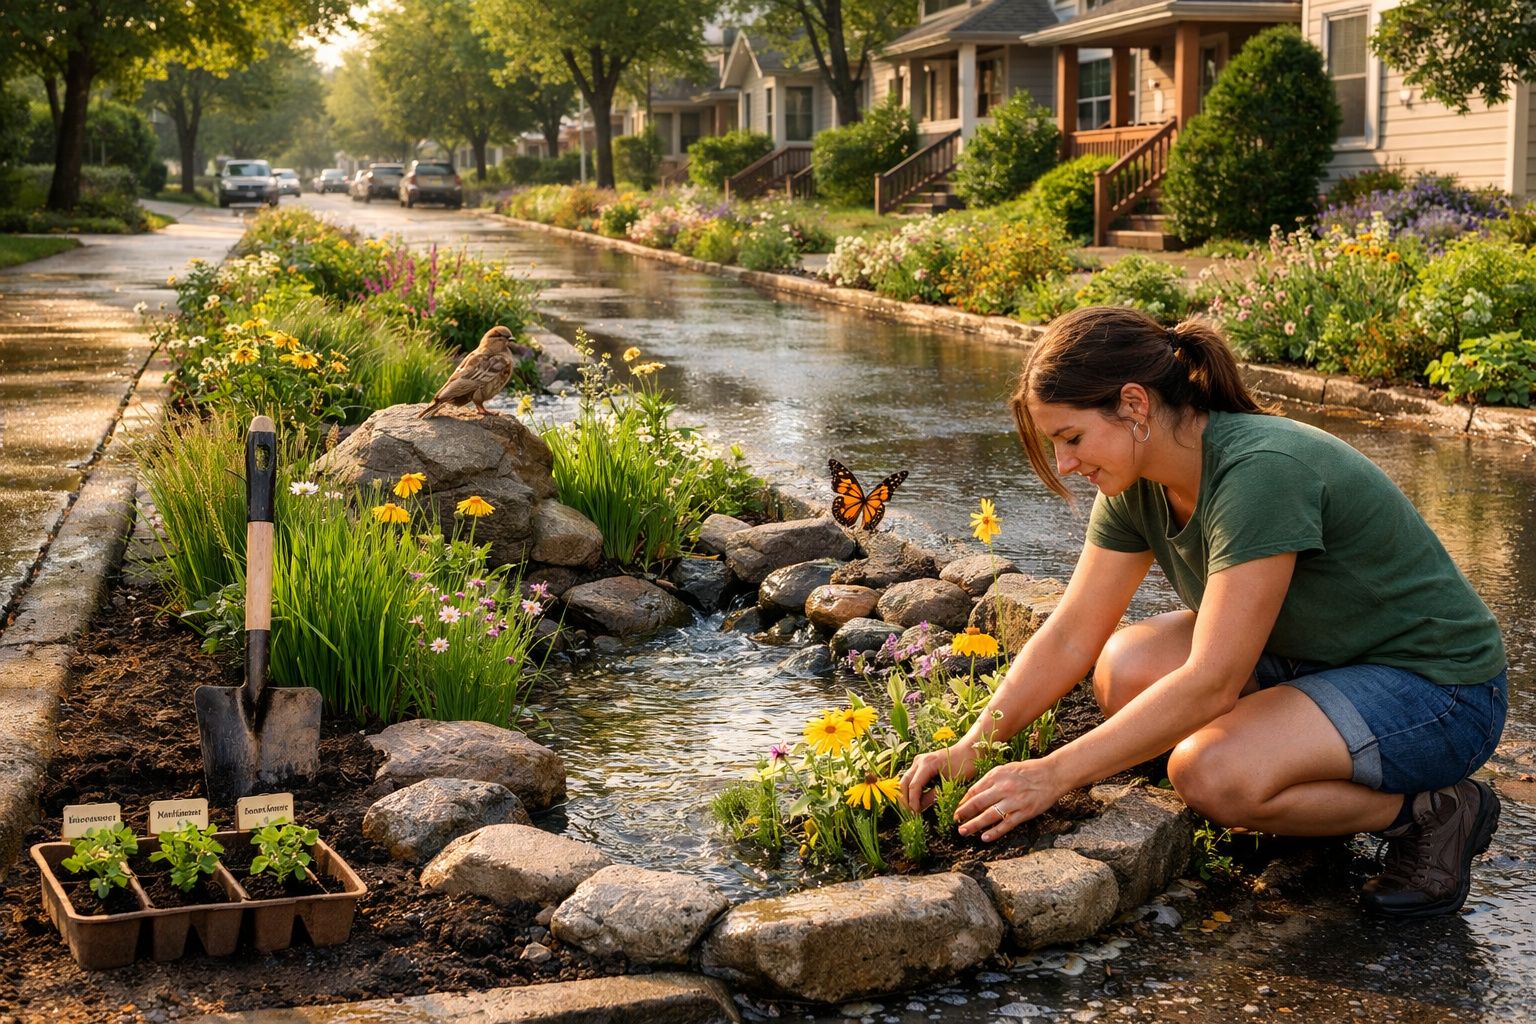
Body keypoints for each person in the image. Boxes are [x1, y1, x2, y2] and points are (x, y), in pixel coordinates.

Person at [899, 306, 1507, 918]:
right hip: (1320, 658)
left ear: (1135, 405)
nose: (1065, 466)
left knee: (1210, 773)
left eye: (1072, 438)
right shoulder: (1136, 482)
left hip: (1438, 689)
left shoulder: (1259, 473)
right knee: (1126, 670)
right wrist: (976, 743)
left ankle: (1432, 812)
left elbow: (1213, 681)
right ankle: (1283, 784)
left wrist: (1053, 774)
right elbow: (1071, 633)